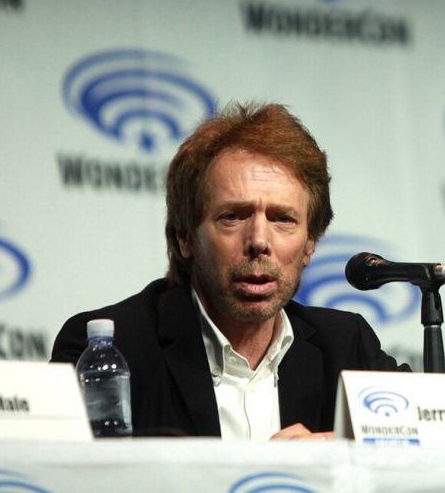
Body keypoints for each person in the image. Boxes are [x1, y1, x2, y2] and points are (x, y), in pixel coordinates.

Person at [51, 102, 408, 440]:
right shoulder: (111, 351)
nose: (258, 240)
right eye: (233, 216)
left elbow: (428, 443)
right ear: (185, 237)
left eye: (283, 219)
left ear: (310, 245)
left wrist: (339, 448)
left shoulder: (346, 346)